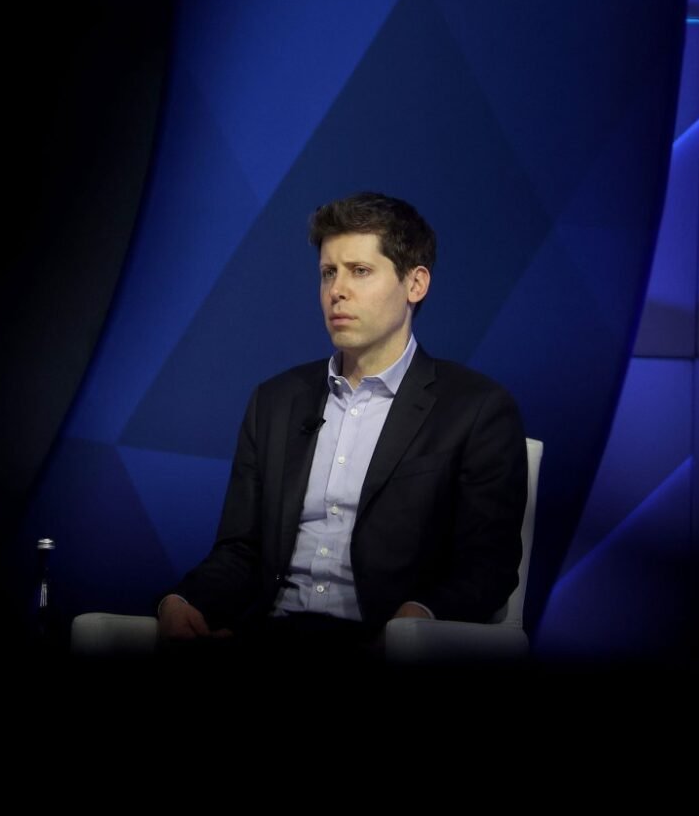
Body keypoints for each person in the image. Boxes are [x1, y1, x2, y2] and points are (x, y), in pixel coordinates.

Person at [156, 191, 528, 660]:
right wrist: (182, 601)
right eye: (328, 272)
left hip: (382, 646)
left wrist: (417, 617)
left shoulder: (476, 410)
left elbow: (487, 566)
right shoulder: (274, 402)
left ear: (415, 284)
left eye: (360, 271)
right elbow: (240, 553)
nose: (337, 290)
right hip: (270, 638)